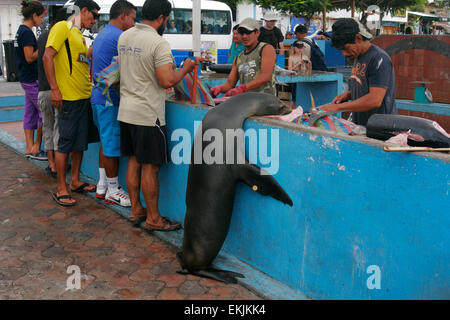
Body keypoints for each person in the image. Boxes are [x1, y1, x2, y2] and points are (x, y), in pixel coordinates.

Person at [117, 0, 196, 230]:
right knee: (150, 167)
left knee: (133, 161)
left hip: (126, 111)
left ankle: (136, 209)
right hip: (148, 114)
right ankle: (153, 218)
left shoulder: (125, 37)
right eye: (167, 19)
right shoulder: (158, 43)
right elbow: (166, 80)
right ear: (161, 18)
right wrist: (186, 69)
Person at [43, 0, 100, 206]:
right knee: (65, 143)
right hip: (68, 97)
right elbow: (47, 57)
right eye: (93, 15)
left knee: (80, 143)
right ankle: (61, 188)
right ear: (82, 11)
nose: (94, 20)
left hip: (83, 96)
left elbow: (80, 61)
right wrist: (55, 89)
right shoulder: (62, 27)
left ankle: (75, 181)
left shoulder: (78, 34)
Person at [91, 0, 136, 207]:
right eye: (133, 18)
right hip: (109, 100)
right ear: (124, 16)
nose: (134, 23)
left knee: (105, 142)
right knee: (111, 147)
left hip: (98, 98)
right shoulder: (120, 37)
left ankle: (102, 186)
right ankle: (113, 189)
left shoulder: (102, 33)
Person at [320, 18, 397, 126]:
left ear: (358, 38)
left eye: (345, 48)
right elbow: (365, 87)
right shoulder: (358, 56)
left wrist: (337, 107)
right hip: (362, 125)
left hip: (380, 128)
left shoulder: (379, 58)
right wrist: (348, 95)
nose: (343, 54)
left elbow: (375, 99)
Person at [37, 8, 72, 178]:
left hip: (43, 89)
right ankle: (60, 166)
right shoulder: (63, 35)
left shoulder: (43, 36)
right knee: (59, 128)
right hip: (56, 89)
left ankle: (51, 162)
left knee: (48, 127)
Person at [209, 17, 277, 98]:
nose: (244, 36)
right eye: (242, 33)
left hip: (266, 103)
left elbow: (265, 76)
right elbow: (230, 84)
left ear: (257, 33)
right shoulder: (238, 58)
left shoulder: (265, 49)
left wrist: (242, 88)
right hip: (247, 103)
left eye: (248, 32)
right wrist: (219, 88)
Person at [14, 0, 47, 161]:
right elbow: (29, 57)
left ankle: (29, 147)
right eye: (41, 17)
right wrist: (44, 46)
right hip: (32, 79)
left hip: (25, 78)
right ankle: (36, 147)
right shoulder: (27, 32)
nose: (41, 21)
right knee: (42, 112)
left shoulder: (20, 30)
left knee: (30, 112)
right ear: (34, 16)